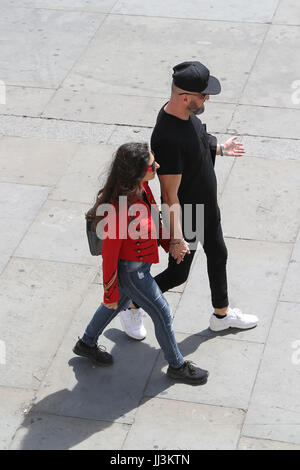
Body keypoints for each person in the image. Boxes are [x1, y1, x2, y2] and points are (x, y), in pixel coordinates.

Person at [120, 61, 258, 340]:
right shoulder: (168, 138)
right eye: (203, 95)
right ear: (185, 98)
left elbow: (197, 139)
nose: (207, 98)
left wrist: (219, 148)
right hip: (190, 214)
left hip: (207, 206)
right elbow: (170, 195)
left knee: (219, 255)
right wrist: (177, 238)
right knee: (177, 275)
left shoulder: (183, 115)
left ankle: (221, 315)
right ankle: (130, 304)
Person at [73, 142, 209, 385]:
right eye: (151, 165)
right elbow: (109, 257)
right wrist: (109, 292)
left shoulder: (143, 187)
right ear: (137, 171)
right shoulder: (118, 209)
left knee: (117, 305)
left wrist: (172, 244)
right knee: (163, 313)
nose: (157, 166)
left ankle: (86, 342)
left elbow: (154, 217)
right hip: (132, 273)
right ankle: (177, 365)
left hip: (139, 268)